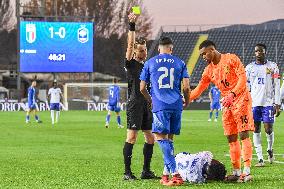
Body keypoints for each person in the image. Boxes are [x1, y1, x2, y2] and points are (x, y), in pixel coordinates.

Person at [189, 40, 254, 183]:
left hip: (241, 98)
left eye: (204, 54)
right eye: (201, 56)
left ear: (212, 50)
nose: (203, 57)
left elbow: (243, 78)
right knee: (231, 137)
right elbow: (199, 88)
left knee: (243, 134)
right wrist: (186, 99)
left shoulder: (231, 58)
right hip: (227, 103)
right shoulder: (208, 70)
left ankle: (247, 171)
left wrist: (233, 94)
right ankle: (237, 172)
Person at [140, 36, 191, 186]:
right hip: (176, 104)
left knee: (160, 139)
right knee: (169, 140)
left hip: (160, 105)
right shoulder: (180, 62)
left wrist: (150, 100)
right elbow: (187, 87)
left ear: (158, 48)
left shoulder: (150, 63)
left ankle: (176, 174)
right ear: (171, 48)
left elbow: (142, 88)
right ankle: (165, 175)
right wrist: (186, 101)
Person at [122, 12, 158, 180]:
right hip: (135, 103)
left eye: (145, 50)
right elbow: (129, 44)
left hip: (146, 105)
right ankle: (127, 172)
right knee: (131, 137)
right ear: (135, 52)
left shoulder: (147, 66)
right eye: (141, 51)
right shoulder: (130, 64)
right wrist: (132, 25)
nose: (144, 53)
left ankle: (146, 171)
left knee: (151, 138)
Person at [246, 43, 281, 167]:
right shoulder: (249, 68)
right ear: (254, 53)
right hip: (254, 103)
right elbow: (247, 86)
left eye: (260, 51)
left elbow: (277, 84)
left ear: (265, 52)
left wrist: (277, 103)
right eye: (256, 51)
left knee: (268, 129)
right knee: (256, 129)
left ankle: (270, 149)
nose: (258, 53)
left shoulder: (273, 66)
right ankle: (260, 158)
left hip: (268, 103)